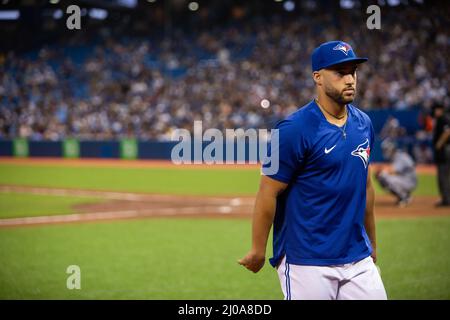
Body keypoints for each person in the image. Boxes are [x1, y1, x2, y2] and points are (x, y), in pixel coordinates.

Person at [238, 41, 387, 300]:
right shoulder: (292, 130)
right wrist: (257, 249)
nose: (350, 79)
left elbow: (365, 188)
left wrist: (371, 243)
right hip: (306, 260)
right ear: (317, 77)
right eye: (340, 73)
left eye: (353, 72)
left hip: (357, 258)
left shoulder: (363, 123)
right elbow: (267, 192)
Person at [375, 139, 417, 207]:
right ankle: (403, 195)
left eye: (386, 149)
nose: (385, 151)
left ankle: (405, 197)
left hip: (409, 181)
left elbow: (393, 170)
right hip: (405, 179)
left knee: (383, 175)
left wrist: (381, 170)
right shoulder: (396, 155)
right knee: (382, 177)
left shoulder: (400, 156)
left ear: (391, 148)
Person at [432, 104, 450, 207]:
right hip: (442, 152)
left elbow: (447, 131)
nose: (435, 111)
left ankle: (446, 199)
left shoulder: (444, 119)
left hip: (445, 151)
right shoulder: (440, 119)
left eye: (437, 109)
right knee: (442, 175)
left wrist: (440, 143)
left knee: (444, 176)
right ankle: (445, 198)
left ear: (441, 110)